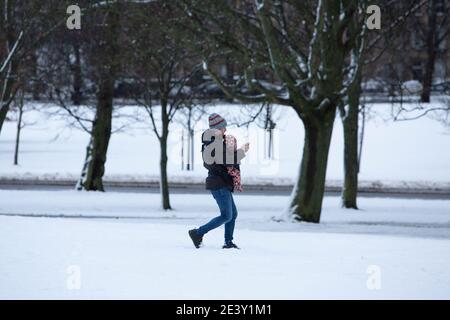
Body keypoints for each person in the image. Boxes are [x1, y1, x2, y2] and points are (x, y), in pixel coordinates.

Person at [188, 113, 249, 249]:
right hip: (219, 184)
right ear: (216, 129)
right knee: (227, 215)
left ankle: (228, 242)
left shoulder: (215, 143)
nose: (225, 130)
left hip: (222, 183)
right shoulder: (213, 144)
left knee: (232, 215)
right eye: (223, 128)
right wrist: (242, 152)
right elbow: (227, 161)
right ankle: (197, 233)